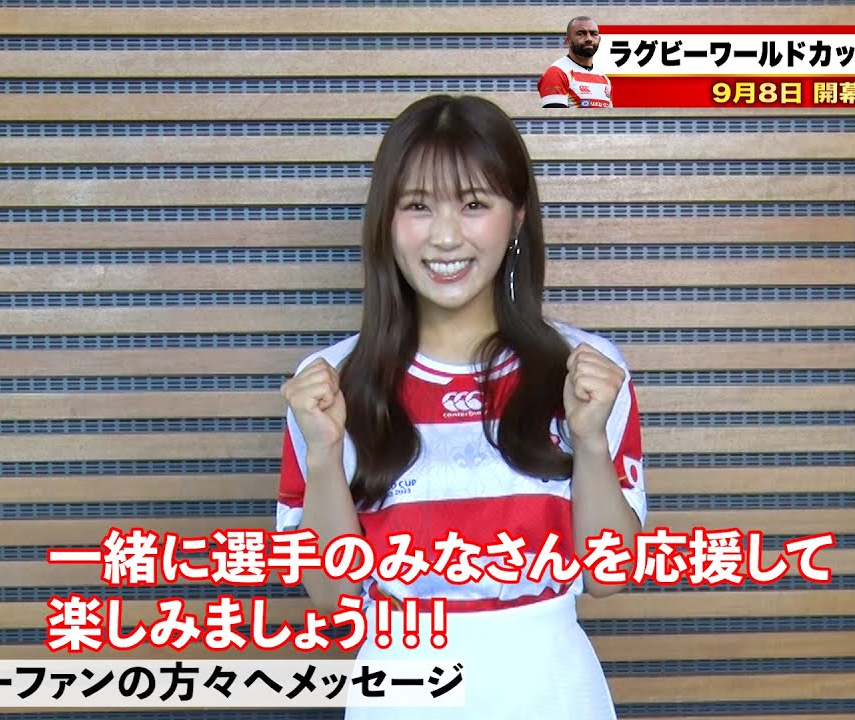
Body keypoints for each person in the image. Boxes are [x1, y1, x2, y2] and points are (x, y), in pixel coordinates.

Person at [275, 94, 646, 719]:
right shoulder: (330, 386)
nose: (445, 236)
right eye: (417, 205)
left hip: (551, 688)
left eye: (474, 204)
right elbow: (333, 598)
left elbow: (612, 575)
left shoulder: (584, 371)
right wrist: (323, 453)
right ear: (386, 220)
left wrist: (588, 441)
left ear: (517, 216)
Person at [538, 16, 613, 108]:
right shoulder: (557, 72)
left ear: (599, 40)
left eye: (594, 34)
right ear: (568, 41)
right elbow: (554, 117)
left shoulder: (604, 79)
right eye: (581, 34)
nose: (589, 38)